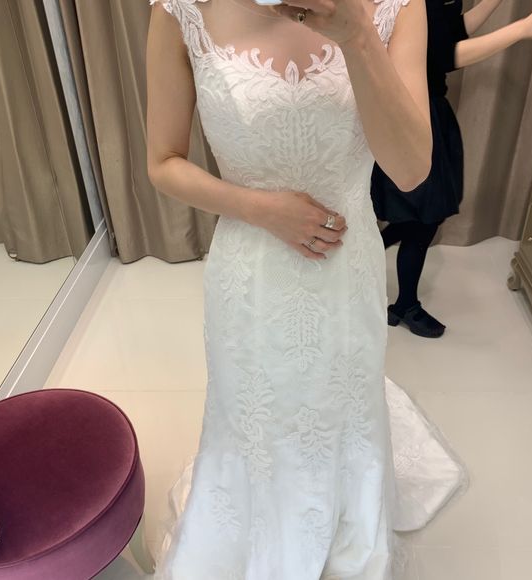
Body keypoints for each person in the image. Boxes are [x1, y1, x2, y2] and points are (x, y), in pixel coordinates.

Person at [146, 1, 466, 579]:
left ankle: (347, 523)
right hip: (249, 273)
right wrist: (259, 208)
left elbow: (411, 170)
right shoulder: (182, 8)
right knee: (254, 408)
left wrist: (358, 35)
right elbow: (163, 162)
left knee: (342, 402)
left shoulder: (396, 7)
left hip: (347, 268)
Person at [371, 0, 532, 339]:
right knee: (422, 216)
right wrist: (523, 29)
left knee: (424, 213)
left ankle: (376, 253)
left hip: (429, 111)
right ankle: (405, 305)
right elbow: (443, 57)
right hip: (413, 111)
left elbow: (451, 31)